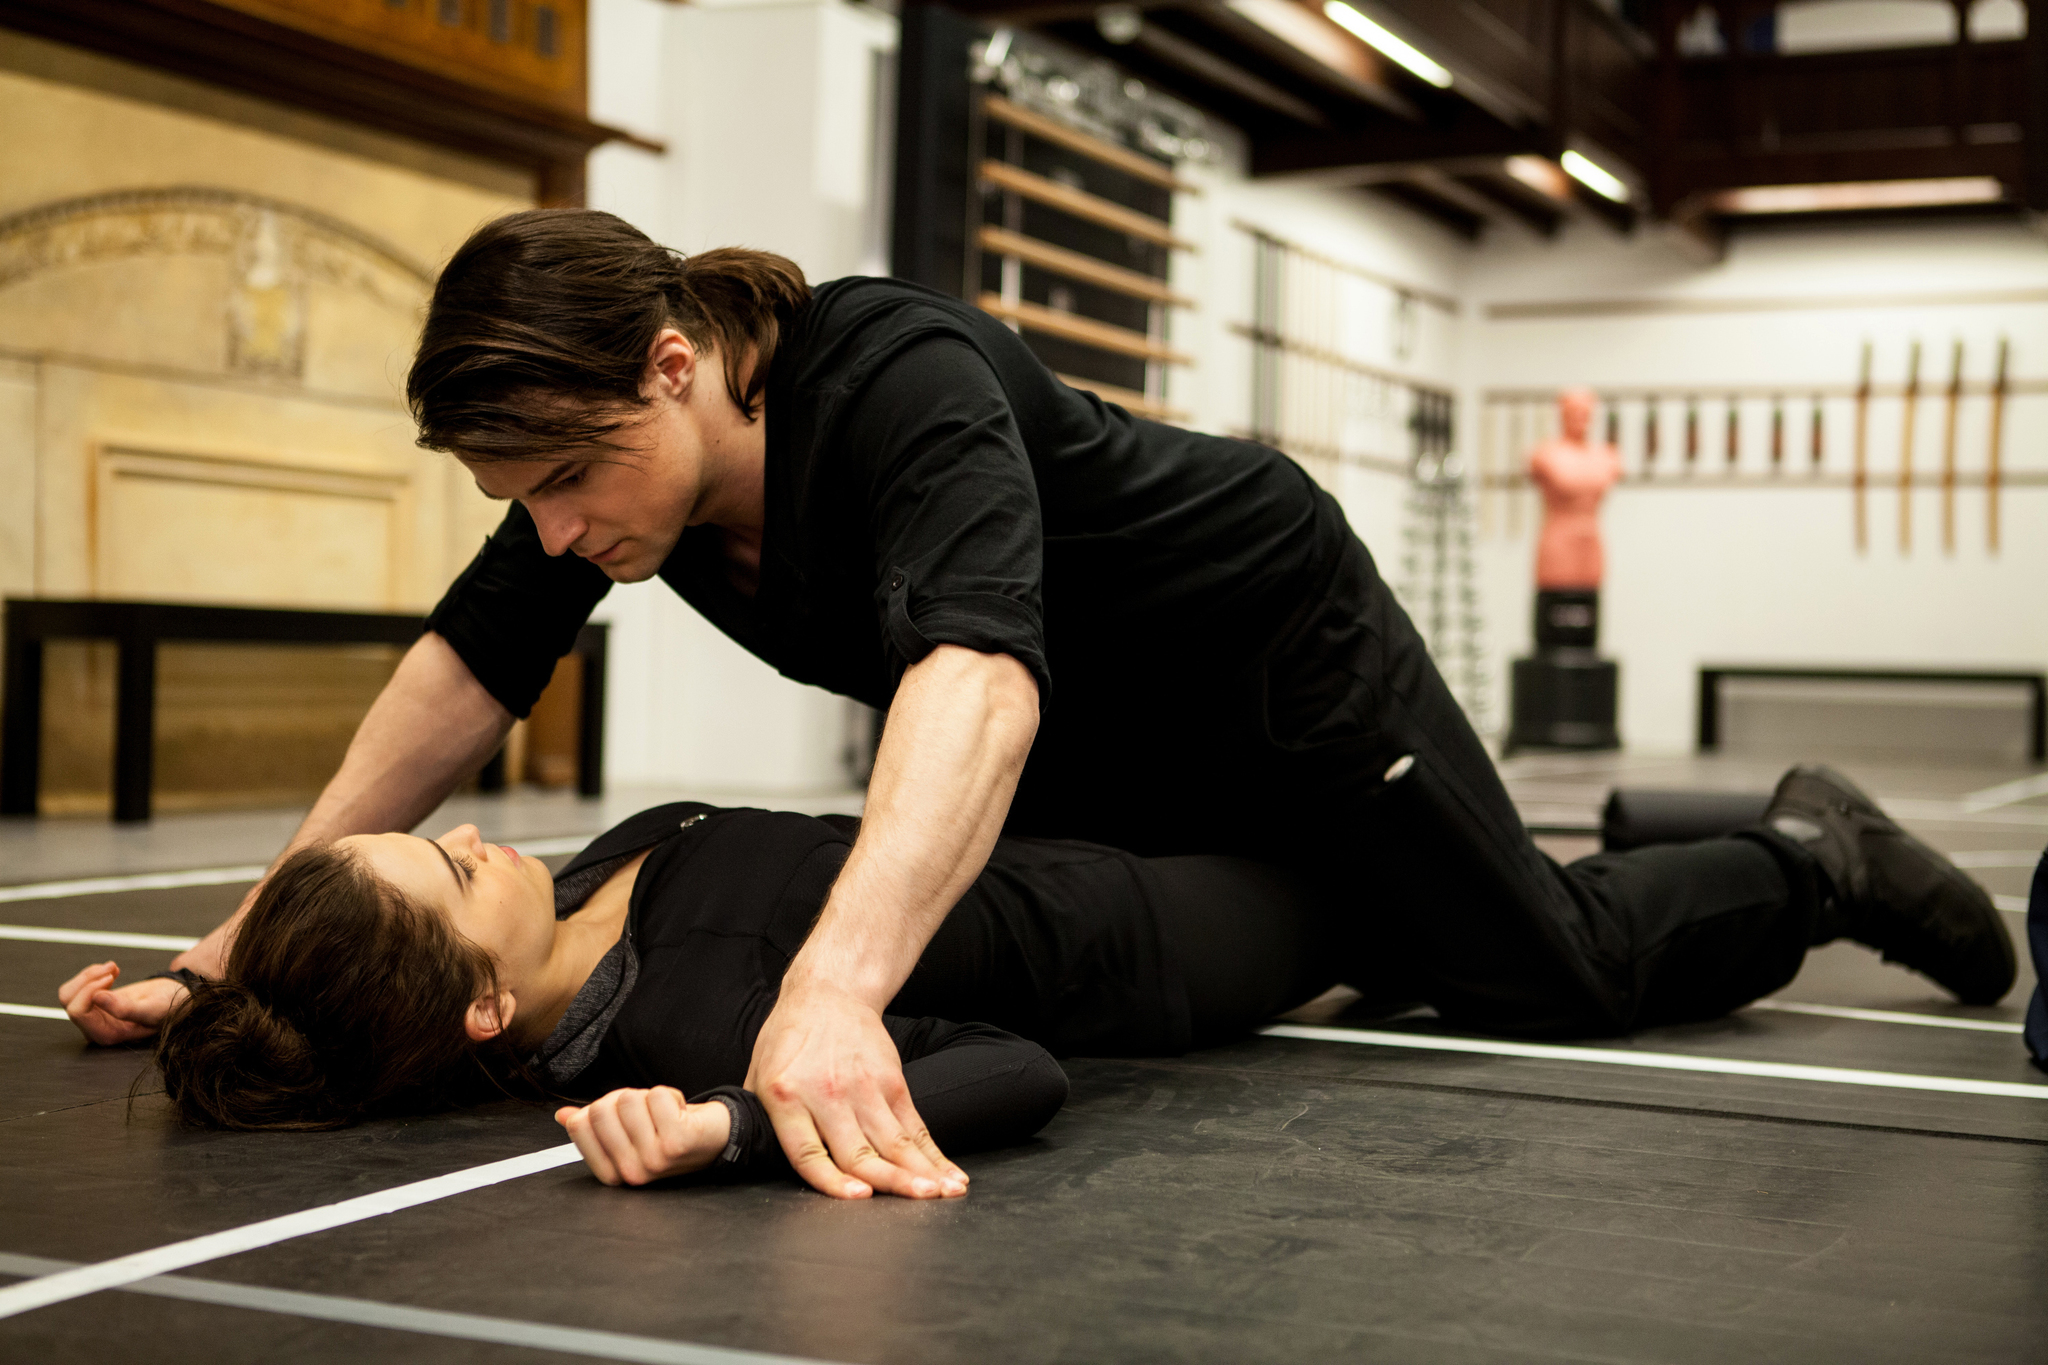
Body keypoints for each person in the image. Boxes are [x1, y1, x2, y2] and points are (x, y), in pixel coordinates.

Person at [65, 209, 2016, 1201]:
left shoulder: (894, 379)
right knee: (1367, 940)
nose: (557, 532)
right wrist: (245, 933)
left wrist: (828, 997)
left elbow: (977, 671)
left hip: (1273, 653)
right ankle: (1582, 849)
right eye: (524, 508)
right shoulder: (619, 495)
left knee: (1539, 969)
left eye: (565, 481)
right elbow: (456, 680)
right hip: (1103, 728)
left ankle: (1797, 848)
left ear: (673, 367)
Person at [65, 777, 2007, 1194]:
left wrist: (206, 980)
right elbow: (997, 1067)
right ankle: (1797, 859)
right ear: (479, 1012)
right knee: (1514, 964)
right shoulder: (670, 1020)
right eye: (442, 861)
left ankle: (1692, 844)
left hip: (1104, 811)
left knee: (1477, 920)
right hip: (1179, 933)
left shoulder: (585, 877)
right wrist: (747, 1118)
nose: (475, 825)